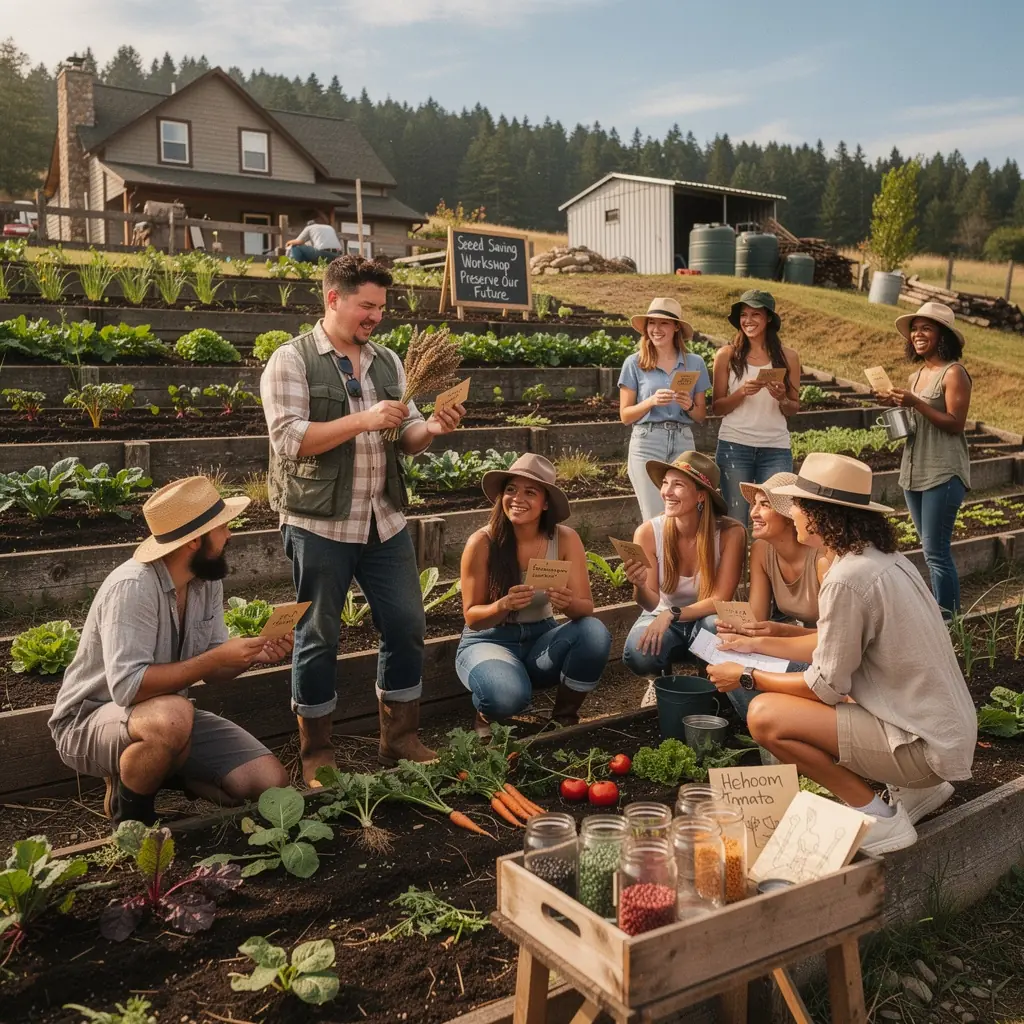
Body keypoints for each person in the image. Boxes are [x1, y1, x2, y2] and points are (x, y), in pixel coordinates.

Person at [706, 453, 977, 855]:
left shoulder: (846, 578)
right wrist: (754, 642)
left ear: (819, 514)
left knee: (764, 716)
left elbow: (826, 687)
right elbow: (827, 644)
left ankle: (881, 820)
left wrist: (746, 676)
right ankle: (915, 793)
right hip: (940, 731)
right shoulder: (881, 559)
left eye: (797, 504)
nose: (792, 511)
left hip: (921, 746)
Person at [261, 255, 465, 784]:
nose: (376, 316)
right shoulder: (292, 360)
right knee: (318, 634)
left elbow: (408, 439)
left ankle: (398, 738)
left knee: (406, 623)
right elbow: (289, 441)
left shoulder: (389, 363)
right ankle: (316, 749)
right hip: (319, 524)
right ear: (333, 299)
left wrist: (434, 429)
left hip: (384, 521)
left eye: (381, 306)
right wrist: (365, 420)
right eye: (366, 305)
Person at [47, 476, 292, 826]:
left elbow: (214, 670)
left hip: (168, 719)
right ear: (194, 540)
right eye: (223, 528)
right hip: (90, 721)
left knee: (268, 781)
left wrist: (252, 654)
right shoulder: (132, 587)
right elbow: (127, 688)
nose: (230, 536)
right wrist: (214, 658)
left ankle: (165, 768)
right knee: (173, 716)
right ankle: (132, 822)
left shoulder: (206, 582)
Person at [457, 454, 611, 738]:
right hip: (489, 639)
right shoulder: (482, 542)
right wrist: (503, 604)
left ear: (545, 503)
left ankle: (563, 719)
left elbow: (585, 608)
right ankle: (486, 712)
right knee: (507, 696)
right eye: (511, 489)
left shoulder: (564, 538)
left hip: (541, 639)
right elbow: (473, 618)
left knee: (594, 632)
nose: (517, 498)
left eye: (530, 492)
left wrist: (568, 604)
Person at [620, 452, 745, 696]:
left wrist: (673, 613)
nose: (666, 491)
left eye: (678, 485)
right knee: (639, 651)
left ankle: (709, 682)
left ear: (701, 496)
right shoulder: (647, 532)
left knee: (714, 626)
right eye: (665, 483)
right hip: (662, 617)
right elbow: (650, 601)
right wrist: (640, 585)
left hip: (705, 618)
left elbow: (720, 598)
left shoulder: (731, 533)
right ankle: (659, 682)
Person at [877, 301, 972, 614]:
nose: (917, 334)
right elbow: (917, 423)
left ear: (942, 334)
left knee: (936, 551)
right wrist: (897, 407)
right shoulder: (917, 375)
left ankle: (948, 617)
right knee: (929, 549)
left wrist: (915, 403)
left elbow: (955, 423)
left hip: (943, 472)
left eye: (926, 328)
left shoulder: (954, 373)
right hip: (914, 471)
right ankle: (940, 613)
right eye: (914, 329)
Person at [715, 472, 831, 721]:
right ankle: (764, 729)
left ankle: (785, 725)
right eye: (754, 504)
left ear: (790, 516)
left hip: (825, 657)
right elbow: (756, 619)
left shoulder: (822, 559)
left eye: (765, 505)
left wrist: (763, 639)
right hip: (806, 641)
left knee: (748, 662)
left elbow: (833, 642)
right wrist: (737, 627)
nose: (753, 513)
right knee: (730, 650)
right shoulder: (761, 550)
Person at [618, 297, 711, 521]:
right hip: (647, 441)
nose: (656, 329)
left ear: (676, 327)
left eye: (664, 323)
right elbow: (625, 416)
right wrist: (650, 402)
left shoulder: (695, 363)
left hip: (683, 440)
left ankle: (677, 558)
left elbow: (701, 416)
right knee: (654, 516)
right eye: (651, 323)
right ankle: (654, 557)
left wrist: (688, 405)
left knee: (683, 515)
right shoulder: (634, 362)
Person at [713, 290, 801, 524]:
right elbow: (717, 407)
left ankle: (765, 563)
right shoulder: (726, 355)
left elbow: (793, 408)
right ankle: (737, 562)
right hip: (735, 445)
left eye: (755, 314)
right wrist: (742, 392)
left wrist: (782, 398)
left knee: (776, 520)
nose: (748, 320)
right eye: (744, 315)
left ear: (769, 318)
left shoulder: (788, 357)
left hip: (775, 448)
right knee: (735, 520)